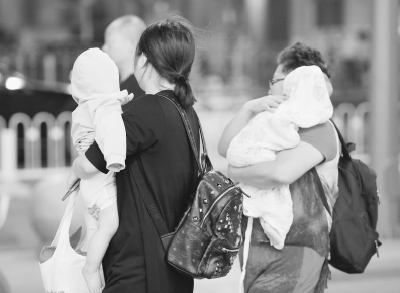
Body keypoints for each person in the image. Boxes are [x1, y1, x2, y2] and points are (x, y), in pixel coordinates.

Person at [70, 17, 199, 293]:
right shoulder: (186, 111)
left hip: (139, 267)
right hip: (176, 263)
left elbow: (88, 165)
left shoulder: (146, 111)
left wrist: (76, 164)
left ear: (143, 60)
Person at [219, 42, 339, 293]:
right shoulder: (276, 123)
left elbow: (278, 173)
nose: (270, 87)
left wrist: (233, 172)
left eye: (275, 80)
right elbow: (226, 148)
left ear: (296, 79)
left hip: (295, 249)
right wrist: (247, 109)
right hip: (258, 246)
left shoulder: (318, 127)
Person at [68, 47, 132, 293]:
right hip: (101, 178)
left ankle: (96, 281)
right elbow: (111, 130)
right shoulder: (104, 107)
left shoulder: (85, 107)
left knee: (96, 228)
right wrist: (115, 159)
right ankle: (92, 269)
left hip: (89, 185)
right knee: (110, 225)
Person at [102, 15, 146, 106]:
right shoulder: (114, 85)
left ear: (131, 45)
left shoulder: (139, 91)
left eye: (110, 42)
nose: (104, 48)